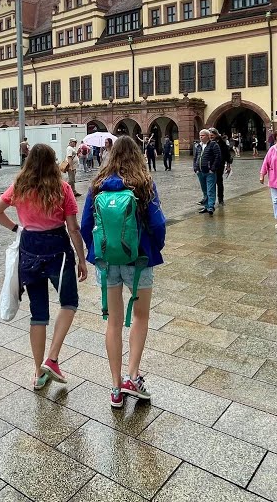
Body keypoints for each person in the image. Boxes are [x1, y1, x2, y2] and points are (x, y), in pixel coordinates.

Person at [0, 145, 88, 391]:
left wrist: (16, 228)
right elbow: (73, 228)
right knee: (69, 302)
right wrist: (82, 258)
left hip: (29, 247)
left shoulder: (20, 186)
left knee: (38, 313)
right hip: (57, 247)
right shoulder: (62, 188)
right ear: (53, 162)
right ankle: (52, 359)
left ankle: (38, 374)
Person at [80, 136, 166, 408]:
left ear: (110, 155)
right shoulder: (144, 184)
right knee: (140, 317)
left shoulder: (97, 186)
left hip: (107, 262)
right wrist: (153, 248)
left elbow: (85, 225)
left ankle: (116, 387)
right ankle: (133, 376)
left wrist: (96, 252)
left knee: (113, 322)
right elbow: (158, 223)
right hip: (139, 260)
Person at [192, 128, 222, 215]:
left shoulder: (213, 145)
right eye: (200, 136)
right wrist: (196, 168)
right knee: (204, 189)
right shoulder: (199, 146)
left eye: (203, 135)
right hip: (200, 171)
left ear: (208, 136)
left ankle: (211, 206)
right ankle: (206, 206)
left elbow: (218, 157)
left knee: (210, 189)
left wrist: (212, 169)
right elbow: (195, 157)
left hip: (209, 172)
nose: (201, 137)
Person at [214, 130, 233, 206]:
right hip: (209, 166)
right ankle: (209, 200)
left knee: (219, 182)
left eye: (213, 134)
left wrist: (228, 166)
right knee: (210, 184)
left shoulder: (222, 143)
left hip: (219, 165)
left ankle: (220, 199)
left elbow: (227, 155)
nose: (211, 136)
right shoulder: (208, 143)